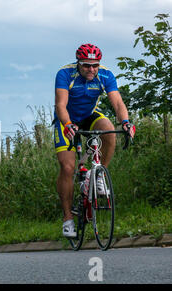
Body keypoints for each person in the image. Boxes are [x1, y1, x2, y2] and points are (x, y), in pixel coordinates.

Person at [54, 43, 136, 238]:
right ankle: (67, 218)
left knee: (108, 129)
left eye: (95, 65)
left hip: (89, 116)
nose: (91, 70)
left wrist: (125, 122)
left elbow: (117, 102)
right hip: (66, 120)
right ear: (78, 64)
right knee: (67, 167)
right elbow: (61, 104)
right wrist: (67, 124)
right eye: (86, 65)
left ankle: (98, 174)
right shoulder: (65, 74)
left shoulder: (106, 75)